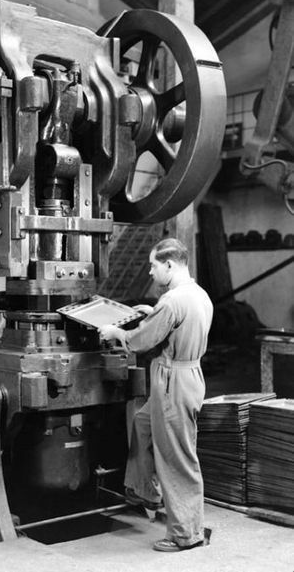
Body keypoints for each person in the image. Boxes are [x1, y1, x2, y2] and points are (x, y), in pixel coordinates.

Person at [98, 237, 213, 553]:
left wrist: (116, 333)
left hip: (172, 380)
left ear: (169, 265)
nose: (150, 272)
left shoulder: (172, 302)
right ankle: (145, 491)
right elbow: (176, 322)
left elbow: (139, 342)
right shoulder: (196, 295)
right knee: (142, 423)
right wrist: (154, 312)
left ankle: (185, 534)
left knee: (177, 458)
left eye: (153, 265)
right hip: (190, 375)